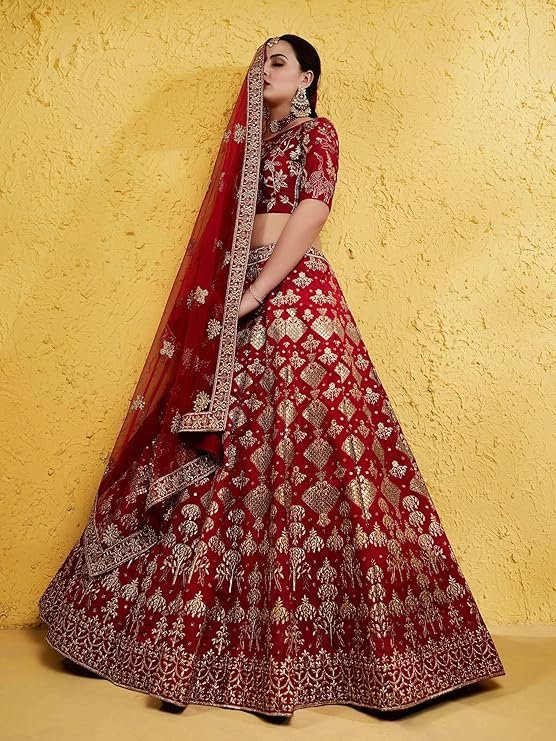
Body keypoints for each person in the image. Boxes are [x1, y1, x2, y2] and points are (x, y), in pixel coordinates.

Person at [38, 34, 506, 718]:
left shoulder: (319, 133)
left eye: (278, 62)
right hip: (236, 296)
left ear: (307, 77)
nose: (264, 71)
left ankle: (361, 654)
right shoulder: (250, 145)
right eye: (259, 63)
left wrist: (257, 292)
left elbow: (312, 212)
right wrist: (231, 294)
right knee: (226, 451)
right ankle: (194, 640)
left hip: (295, 298)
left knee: (313, 448)